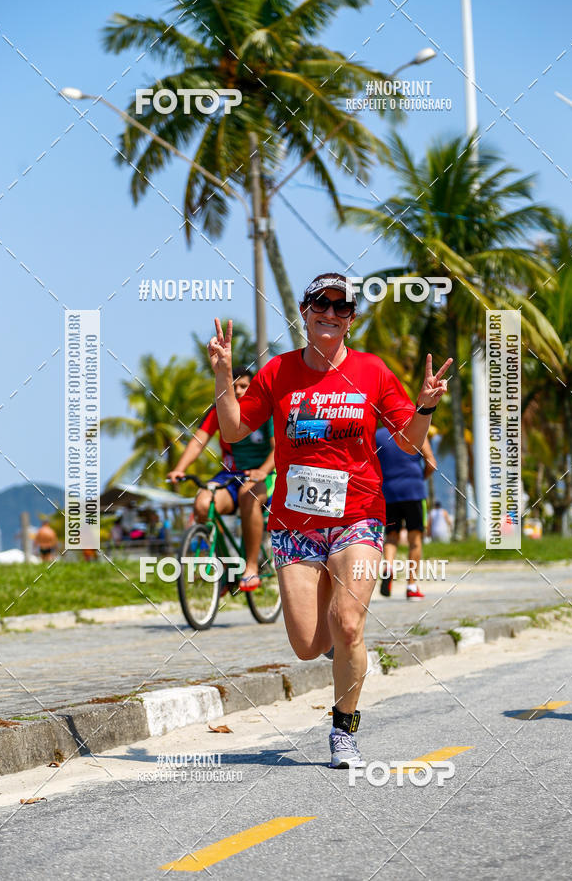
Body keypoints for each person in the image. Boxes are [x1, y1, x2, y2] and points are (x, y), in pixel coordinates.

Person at [207, 272, 452, 769]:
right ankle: (337, 646)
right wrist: (223, 372)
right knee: (306, 644)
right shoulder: (277, 372)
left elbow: (407, 442)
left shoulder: (372, 371)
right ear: (305, 311)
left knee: (348, 625)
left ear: (351, 319)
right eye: (323, 303)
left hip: (358, 516)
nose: (332, 313)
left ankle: (344, 729)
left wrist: (424, 405)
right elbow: (233, 428)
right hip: (295, 525)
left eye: (343, 308)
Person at [167, 366, 276, 591]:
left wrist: (263, 471)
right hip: (230, 476)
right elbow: (198, 441)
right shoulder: (219, 410)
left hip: (264, 474)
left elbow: (280, 448)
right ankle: (227, 567)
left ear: (253, 387)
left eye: (243, 386)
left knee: (249, 495)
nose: (237, 391)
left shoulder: (266, 410)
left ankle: (252, 567)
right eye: (233, 386)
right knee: (202, 503)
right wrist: (179, 469)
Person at [375, 428, 437, 599]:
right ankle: (411, 586)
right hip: (414, 491)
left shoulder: (378, 436)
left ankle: (388, 567)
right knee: (415, 540)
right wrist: (419, 478)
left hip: (389, 492)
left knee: (391, 536)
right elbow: (431, 463)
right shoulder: (417, 431)